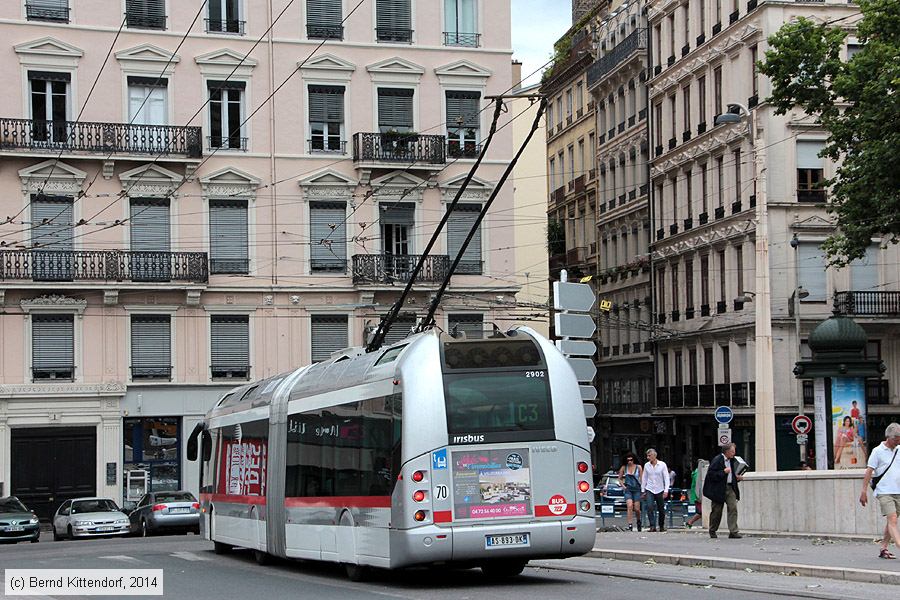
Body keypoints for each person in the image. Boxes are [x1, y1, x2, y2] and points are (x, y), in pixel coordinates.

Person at [859, 422, 900, 560]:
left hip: (898, 490)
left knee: (892, 521)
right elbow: (869, 471)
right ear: (889, 437)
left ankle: (883, 547)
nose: (898, 441)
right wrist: (864, 491)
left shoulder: (899, 449)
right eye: (897, 439)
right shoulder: (878, 451)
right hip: (884, 491)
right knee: (892, 519)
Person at [703, 442, 743, 539]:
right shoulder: (717, 460)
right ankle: (712, 529)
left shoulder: (733, 461)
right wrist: (723, 472)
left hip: (730, 487)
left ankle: (733, 531)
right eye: (732, 451)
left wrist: (735, 477)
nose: (734, 453)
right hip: (719, 489)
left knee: (733, 508)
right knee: (717, 510)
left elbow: (731, 473)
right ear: (726, 452)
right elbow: (711, 475)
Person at [640, 448, 669, 532]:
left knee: (661, 509)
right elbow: (644, 477)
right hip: (650, 488)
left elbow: (666, 477)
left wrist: (666, 490)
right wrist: (643, 490)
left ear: (654, 456)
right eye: (647, 456)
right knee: (649, 507)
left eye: (649, 456)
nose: (648, 457)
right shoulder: (646, 465)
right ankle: (652, 525)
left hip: (660, 489)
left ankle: (661, 525)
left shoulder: (662, 465)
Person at [617, 453, 642, 531]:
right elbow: (619, 478)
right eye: (628, 460)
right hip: (628, 490)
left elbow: (642, 478)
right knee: (629, 506)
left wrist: (642, 488)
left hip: (637, 489)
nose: (629, 462)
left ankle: (638, 521)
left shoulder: (639, 467)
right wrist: (623, 486)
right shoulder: (624, 467)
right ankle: (630, 524)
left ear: (634, 459)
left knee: (637, 508)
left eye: (631, 460)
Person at [685, 462, 702, 529]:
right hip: (698, 495)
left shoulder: (695, 473)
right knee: (701, 512)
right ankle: (690, 522)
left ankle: (690, 522)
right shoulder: (698, 474)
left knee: (701, 512)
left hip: (695, 495)